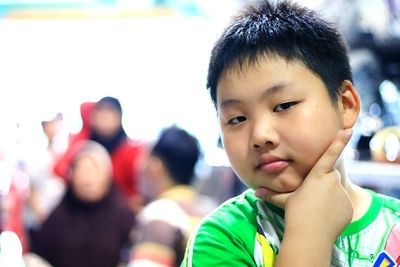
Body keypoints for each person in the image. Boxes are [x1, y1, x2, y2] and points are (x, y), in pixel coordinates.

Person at [181, 1, 400, 266]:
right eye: (237, 119)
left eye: (284, 105)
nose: (261, 135)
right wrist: (310, 232)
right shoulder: (224, 237)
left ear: (346, 105)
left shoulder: (394, 227)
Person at [31, 140, 135, 267]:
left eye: (94, 170)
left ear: (108, 174)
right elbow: (40, 255)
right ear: (71, 176)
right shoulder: (58, 217)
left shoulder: (123, 217)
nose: (88, 179)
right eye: (81, 170)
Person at [129, 126, 216, 267]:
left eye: (146, 158)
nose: (140, 166)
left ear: (156, 165)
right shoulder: (207, 210)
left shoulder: (162, 212)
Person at [53, 96, 147, 213]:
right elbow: (59, 169)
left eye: (110, 112)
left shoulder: (131, 150)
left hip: (120, 212)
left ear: (119, 117)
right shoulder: (82, 143)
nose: (104, 117)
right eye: (100, 111)